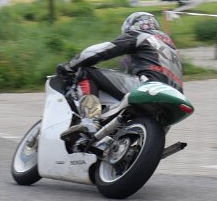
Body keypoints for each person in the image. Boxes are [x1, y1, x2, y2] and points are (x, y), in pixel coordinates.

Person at [57, 11, 185, 120]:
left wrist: (69, 66)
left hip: (149, 87)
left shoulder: (140, 35)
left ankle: (90, 119)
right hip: (175, 98)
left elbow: (101, 51)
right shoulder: (173, 48)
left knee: (87, 72)